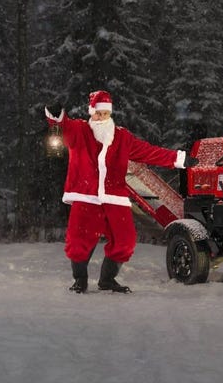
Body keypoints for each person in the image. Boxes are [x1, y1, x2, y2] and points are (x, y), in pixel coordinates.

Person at [45, 90, 198, 294]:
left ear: (110, 113)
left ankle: (107, 280)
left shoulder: (122, 137)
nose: (101, 117)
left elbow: (149, 152)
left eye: (105, 113)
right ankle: (80, 280)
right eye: (97, 113)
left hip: (114, 197)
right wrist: (56, 114)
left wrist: (179, 159)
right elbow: (62, 126)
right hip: (86, 195)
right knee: (79, 240)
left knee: (125, 240)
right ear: (91, 112)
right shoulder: (79, 130)